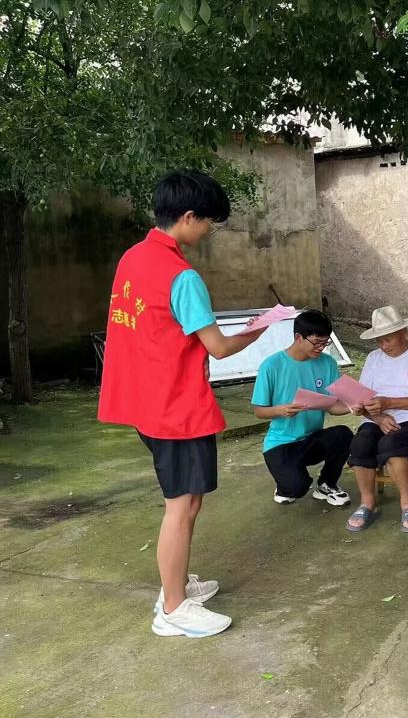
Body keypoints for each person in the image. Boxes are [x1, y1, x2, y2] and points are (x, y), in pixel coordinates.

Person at [98, 170, 267, 638]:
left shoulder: (133, 258)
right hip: (175, 405)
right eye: (210, 221)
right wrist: (257, 330)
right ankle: (173, 607)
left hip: (144, 400)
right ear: (189, 216)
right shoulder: (182, 276)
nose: (210, 230)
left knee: (186, 499)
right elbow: (219, 347)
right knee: (182, 505)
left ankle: (176, 584)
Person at [345, 306, 408, 534]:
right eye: (379, 341)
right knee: (360, 443)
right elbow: (362, 398)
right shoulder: (373, 358)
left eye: (388, 339)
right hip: (375, 419)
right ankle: (367, 503)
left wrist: (388, 403)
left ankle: (407, 503)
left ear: (404, 332)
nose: (383, 346)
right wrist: (376, 416)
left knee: (391, 443)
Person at [251, 310, 354, 507]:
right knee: (296, 488)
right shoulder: (271, 366)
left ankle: (327, 484)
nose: (321, 348)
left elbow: (332, 406)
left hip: (311, 439)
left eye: (325, 343)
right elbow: (258, 411)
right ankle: (285, 484)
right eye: (316, 342)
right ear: (298, 337)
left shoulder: (328, 363)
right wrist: (280, 410)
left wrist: (352, 405)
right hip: (280, 443)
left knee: (343, 434)